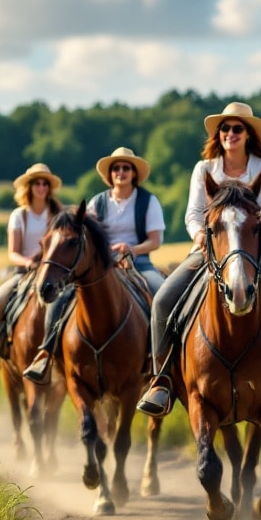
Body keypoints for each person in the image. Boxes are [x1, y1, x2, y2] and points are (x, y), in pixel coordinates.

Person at [135, 102, 261, 416]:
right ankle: (162, 380)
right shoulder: (204, 168)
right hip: (207, 252)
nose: (230, 133)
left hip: (257, 253)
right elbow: (194, 215)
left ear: (248, 134)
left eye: (237, 128)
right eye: (225, 128)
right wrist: (200, 236)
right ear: (218, 135)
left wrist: (259, 232)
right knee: (163, 300)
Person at [23, 147, 165, 384]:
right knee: (60, 298)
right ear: (110, 175)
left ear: (134, 173)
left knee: (161, 295)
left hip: (139, 263)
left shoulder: (148, 202)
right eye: (116, 168)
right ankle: (46, 352)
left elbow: (155, 240)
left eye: (126, 168)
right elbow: (85, 238)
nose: (121, 172)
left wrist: (132, 249)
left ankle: (159, 361)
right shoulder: (97, 203)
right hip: (103, 267)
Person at [0, 163, 64, 373]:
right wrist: (29, 263)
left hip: (55, 274)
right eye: (37, 183)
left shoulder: (58, 215)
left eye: (45, 184)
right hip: (25, 273)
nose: (41, 187)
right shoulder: (19, 215)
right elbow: (13, 252)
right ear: (29, 187)